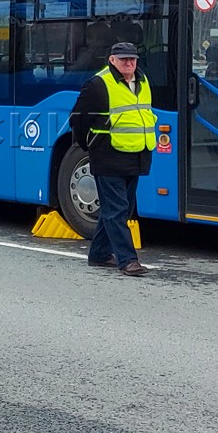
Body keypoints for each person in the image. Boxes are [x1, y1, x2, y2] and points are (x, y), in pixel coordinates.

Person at [69, 41, 155, 276]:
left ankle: (98, 254)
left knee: (120, 209)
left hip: (136, 155)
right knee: (117, 209)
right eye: (123, 59)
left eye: (132, 59)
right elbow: (77, 119)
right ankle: (128, 260)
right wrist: (90, 145)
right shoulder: (98, 84)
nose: (129, 63)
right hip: (108, 156)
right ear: (112, 60)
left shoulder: (143, 80)